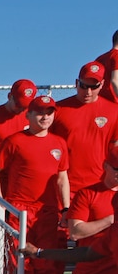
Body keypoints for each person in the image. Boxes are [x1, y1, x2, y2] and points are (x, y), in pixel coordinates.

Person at [0, 94, 70, 274]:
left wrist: (65, 208)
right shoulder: (14, 141)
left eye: (50, 112)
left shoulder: (59, 143)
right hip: (20, 209)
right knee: (19, 264)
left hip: (47, 212)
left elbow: (62, 177)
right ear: (29, 115)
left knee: (45, 265)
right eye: (40, 112)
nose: (45, 117)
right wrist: (2, 203)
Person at [51, 62, 118, 202]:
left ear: (102, 84)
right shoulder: (58, 110)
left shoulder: (114, 111)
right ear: (76, 83)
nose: (88, 92)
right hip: (65, 187)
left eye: (94, 87)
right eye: (84, 86)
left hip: (99, 187)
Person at [97, 30, 118, 104]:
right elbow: (115, 80)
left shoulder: (100, 58)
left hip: (100, 102)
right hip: (113, 101)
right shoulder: (116, 56)